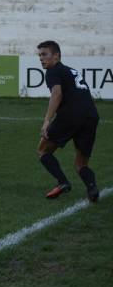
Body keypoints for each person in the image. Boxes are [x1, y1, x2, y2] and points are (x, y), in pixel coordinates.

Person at [36, 40, 100, 202]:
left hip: (70, 116)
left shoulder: (52, 71)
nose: (41, 58)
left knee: (43, 150)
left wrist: (46, 121)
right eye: (40, 55)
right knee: (81, 164)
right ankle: (92, 189)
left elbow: (57, 94)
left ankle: (63, 182)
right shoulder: (70, 71)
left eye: (45, 54)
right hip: (91, 116)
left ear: (56, 55)